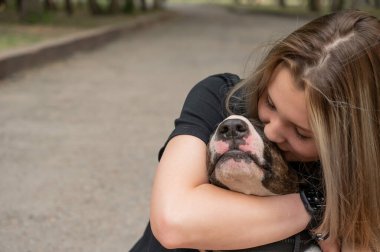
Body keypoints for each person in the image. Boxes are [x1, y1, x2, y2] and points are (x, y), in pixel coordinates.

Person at [131, 10, 380, 251]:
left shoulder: (365, 173)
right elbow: (174, 221)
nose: (272, 132)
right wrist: (319, 207)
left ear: (350, 145)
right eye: (270, 103)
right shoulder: (220, 98)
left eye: (301, 132)